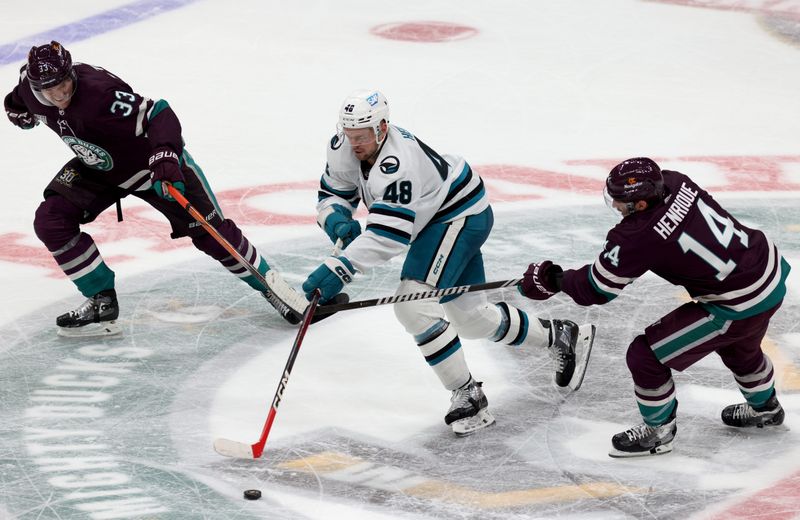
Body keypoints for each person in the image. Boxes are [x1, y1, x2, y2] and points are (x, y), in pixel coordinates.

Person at [301, 89, 596, 436]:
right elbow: (333, 193)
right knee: (470, 320)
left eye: (362, 136)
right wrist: (336, 218)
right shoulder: (342, 147)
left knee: (412, 304)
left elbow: (388, 235)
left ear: (382, 127)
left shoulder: (398, 163)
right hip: (436, 219)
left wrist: (340, 268)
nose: (354, 143)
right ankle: (558, 335)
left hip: (457, 214)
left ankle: (467, 393)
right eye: (349, 135)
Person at [3, 41, 307, 336]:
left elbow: (158, 113)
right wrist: (17, 112)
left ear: (71, 72)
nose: (57, 93)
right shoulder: (30, 88)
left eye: (62, 83)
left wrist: (165, 158)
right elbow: (16, 100)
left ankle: (272, 289)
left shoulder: (100, 94)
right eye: (48, 88)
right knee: (51, 219)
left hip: (151, 167)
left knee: (212, 234)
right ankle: (101, 299)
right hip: (99, 168)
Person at [519, 157, 791, 457]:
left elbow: (596, 288)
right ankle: (765, 408)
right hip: (768, 272)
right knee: (741, 347)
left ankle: (658, 431)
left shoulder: (639, 236)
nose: (617, 207)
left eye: (621, 201)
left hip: (736, 302)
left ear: (641, 204)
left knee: (646, 355)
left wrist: (552, 280)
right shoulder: (677, 181)